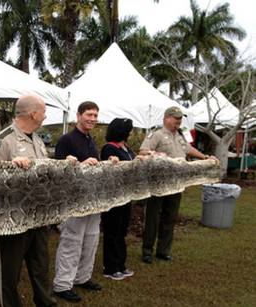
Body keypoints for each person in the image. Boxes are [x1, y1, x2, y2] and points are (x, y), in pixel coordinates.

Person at [0, 94, 57, 307]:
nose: (45, 116)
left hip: (38, 216)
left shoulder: (36, 139)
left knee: (41, 266)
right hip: (13, 220)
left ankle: (45, 303)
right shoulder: (3, 140)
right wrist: (10, 168)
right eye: (44, 111)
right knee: (9, 272)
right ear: (33, 113)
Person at [52, 101, 113, 303]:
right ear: (78, 115)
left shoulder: (90, 140)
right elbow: (59, 172)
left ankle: (82, 277)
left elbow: (93, 169)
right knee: (71, 242)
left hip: (93, 200)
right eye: (89, 114)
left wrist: (107, 163)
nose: (93, 119)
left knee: (91, 240)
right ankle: (62, 284)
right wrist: (80, 165)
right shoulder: (66, 140)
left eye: (95, 115)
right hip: (74, 202)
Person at [139, 106, 216, 263]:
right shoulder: (156, 134)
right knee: (153, 218)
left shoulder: (180, 136)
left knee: (170, 217)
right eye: (176, 119)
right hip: (159, 184)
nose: (179, 122)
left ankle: (163, 250)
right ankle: (147, 250)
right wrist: (153, 154)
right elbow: (142, 151)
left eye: (180, 119)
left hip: (176, 183)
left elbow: (188, 149)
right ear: (167, 118)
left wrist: (204, 157)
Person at [100, 118, 135, 281]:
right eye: (129, 130)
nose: (131, 132)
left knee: (121, 231)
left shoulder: (126, 148)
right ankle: (110, 267)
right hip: (113, 197)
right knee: (112, 232)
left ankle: (120, 264)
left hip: (126, 195)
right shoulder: (109, 148)